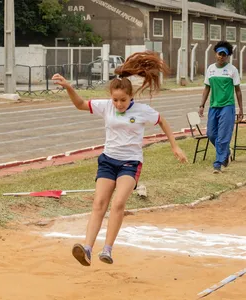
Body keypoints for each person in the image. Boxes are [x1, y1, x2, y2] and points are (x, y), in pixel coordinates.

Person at [52, 51, 188, 267]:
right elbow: (80, 105)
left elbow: (162, 121)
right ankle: (87, 248)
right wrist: (69, 87)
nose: (118, 104)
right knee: (99, 203)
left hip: (130, 163)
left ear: (131, 96)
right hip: (108, 160)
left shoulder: (142, 111)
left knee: (118, 203)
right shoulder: (106, 106)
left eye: (122, 100)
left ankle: (107, 249)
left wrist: (175, 145)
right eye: (115, 100)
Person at [199, 40, 243, 174]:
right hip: (214, 106)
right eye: (219, 54)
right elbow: (207, 88)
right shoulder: (210, 69)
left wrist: (241, 108)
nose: (221, 56)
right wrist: (202, 105)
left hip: (227, 107)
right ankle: (226, 152)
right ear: (215, 54)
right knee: (211, 134)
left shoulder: (232, 70)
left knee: (223, 136)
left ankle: (218, 163)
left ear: (228, 56)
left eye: (224, 54)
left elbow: (238, 90)